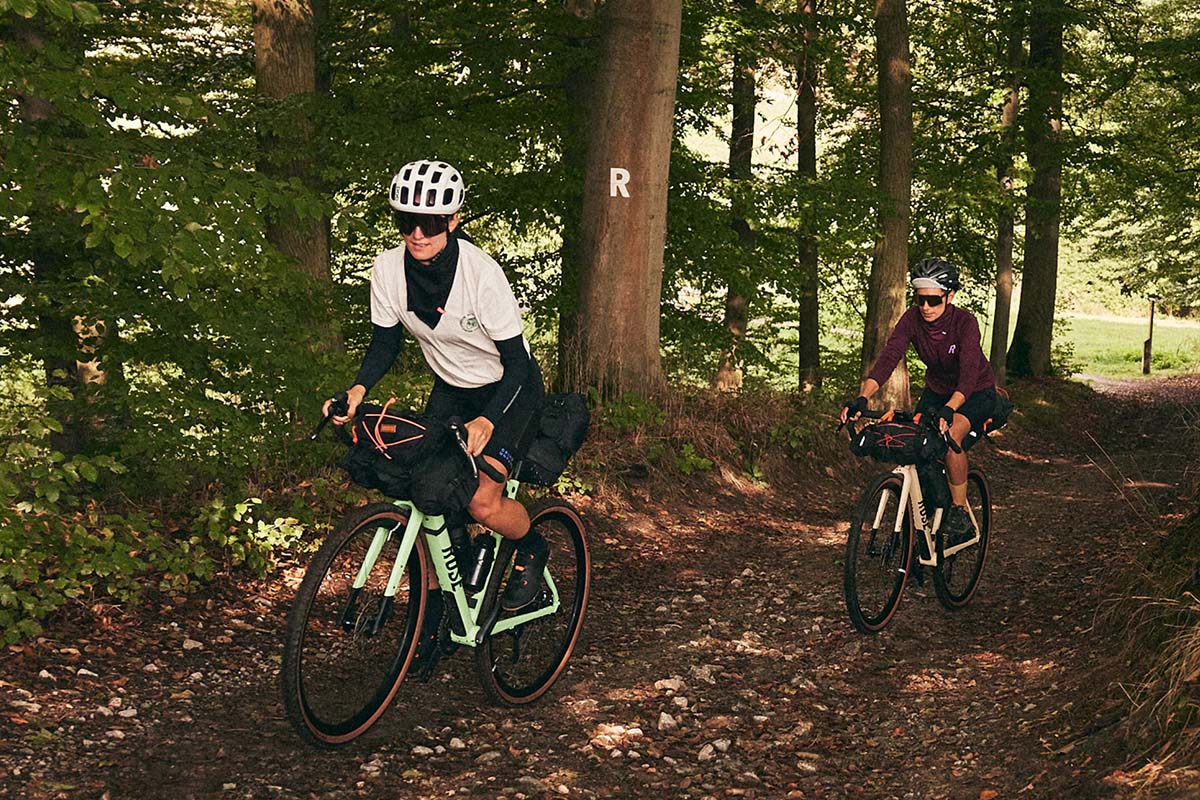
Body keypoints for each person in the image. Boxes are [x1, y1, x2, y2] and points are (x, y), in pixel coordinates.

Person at [325, 159, 548, 626]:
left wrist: (487, 419)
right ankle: (439, 609)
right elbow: (384, 344)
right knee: (424, 492)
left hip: (509, 391)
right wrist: (357, 391)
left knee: (480, 501)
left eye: (429, 222)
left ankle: (531, 546)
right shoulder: (387, 271)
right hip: (451, 389)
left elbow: (517, 364)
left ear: (453, 218)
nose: (417, 234)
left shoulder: (481, 274)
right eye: (406, 221)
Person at [840, 257, 1000, 543]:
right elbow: (889, 357)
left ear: (949, 296)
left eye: (933, 300)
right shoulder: (912, 318)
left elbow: (968, 373)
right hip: (937, 391)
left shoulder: (965, 322)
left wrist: (951, 409)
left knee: (951, 437)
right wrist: (862, 398)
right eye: (920, 299)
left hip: (975, 392)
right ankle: (924, 518)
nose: (925, 307)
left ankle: (960, 510)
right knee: (917, 444)